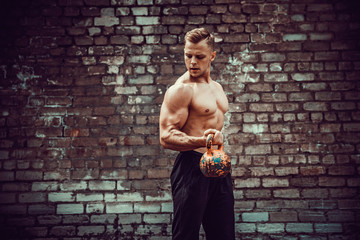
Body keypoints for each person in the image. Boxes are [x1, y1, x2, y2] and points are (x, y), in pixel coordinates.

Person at [159, 28, 235, 240]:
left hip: (219, 166)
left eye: (199, 56)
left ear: (212, 56)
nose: (192, 61)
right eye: (188, 55)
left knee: (224, 234)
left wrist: (215, 144)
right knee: (186, 235)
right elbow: (165, 136)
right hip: (191, 167)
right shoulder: (181, 90)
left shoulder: (217, 88)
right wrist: (202, 141)